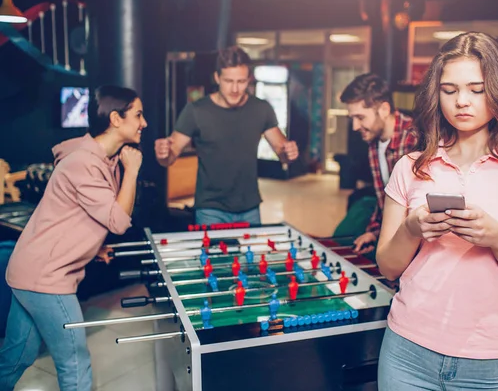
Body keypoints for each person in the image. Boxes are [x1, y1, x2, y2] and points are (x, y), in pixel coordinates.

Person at [376, 32, 498, 390]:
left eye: (477, 89)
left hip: (489, 362)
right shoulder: (410, 167)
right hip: (406, 351)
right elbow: (388, 266)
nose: (462, 101)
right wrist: (412, 229)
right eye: (450, 90)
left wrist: (497, 239)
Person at [0, 85, 146, 391]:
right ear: (116, 119)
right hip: (45, 277)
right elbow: (118, 221)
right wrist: (132, 172)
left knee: (17, 356)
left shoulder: (103, 160)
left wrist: (94, 246)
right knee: (75, 362)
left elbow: (75, 217)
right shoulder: (84, 162)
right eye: (138, 114)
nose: (143, 123)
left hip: (30, 269)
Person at [154, 46, 298, 226]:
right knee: (213, 256)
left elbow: (281, 150)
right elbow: (170, 155)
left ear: (249, 80)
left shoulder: (261, 109)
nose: (235, 88)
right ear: (217, 78)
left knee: (249, 256)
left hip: (250, 207)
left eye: (241, 81)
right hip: (210, 209)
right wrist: (163, 153)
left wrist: (289, 153)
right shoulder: (196, 111)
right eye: (229, 81)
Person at [339, 73, 416, 255]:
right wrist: (374, 233)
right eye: (353, 119)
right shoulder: (374, 142)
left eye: (360, 117)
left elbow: (415, 209)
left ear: (383, 109)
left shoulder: (415, 137)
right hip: (391, 239)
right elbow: (384, 198)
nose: (355, 127)